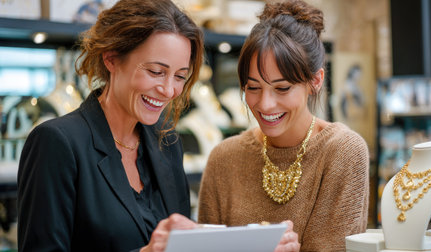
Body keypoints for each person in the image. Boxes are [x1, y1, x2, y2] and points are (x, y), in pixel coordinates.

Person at [17, 0, 203, 251]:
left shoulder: (167, 142)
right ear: (112, 59)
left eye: (180, 76)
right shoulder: (57, 143)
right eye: (156, 71)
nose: (169, 90)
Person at [197, 0, 370, 251]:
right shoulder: (223, 159)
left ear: (315, 81)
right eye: (253, 87)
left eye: (282, 88)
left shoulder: (342, 152)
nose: (265, 105)